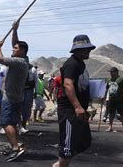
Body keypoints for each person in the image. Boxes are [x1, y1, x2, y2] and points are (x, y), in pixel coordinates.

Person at [53, 34, 95, 167]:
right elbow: (68, 84)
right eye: (86, 48)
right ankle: (62, 163)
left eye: (89, 48)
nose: (88, 51)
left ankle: (59, 165)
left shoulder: (80, 64)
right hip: (70, 112)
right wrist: (77, 107)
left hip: (79, 111)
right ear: (78, 49)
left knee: (84, 142)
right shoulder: (71, 64)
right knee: (67, 146)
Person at [0, 21, 29, 162]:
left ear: (21, 51)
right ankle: (15, 144)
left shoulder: (18, 62)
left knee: (6, 123)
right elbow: (16, 43)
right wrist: (15, 30)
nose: (13, 49)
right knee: (12, 123)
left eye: (15, 48)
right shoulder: (23, 59)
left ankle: (16, 148)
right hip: (17, 97)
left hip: (10, 98)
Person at [105, 67, 123, 133]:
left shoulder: (121, 79)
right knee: (111, 113)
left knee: (122, 113)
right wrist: (104, 96)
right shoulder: (109, 80)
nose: (111, 73)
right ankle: (110, 126)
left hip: (119, 99)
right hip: (111, 99)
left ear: (116, 72)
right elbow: (107, 89)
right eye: (110, 72)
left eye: (112, 72)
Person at [19, 64, 36, 134]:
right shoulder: (19, 68)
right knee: (18, 108)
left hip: (29, 91)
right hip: (20, 90)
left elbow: (36, 81)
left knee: (26, 109)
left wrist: (36, 91)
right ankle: (20, 126)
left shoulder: (33, 70)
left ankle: (24, 125)